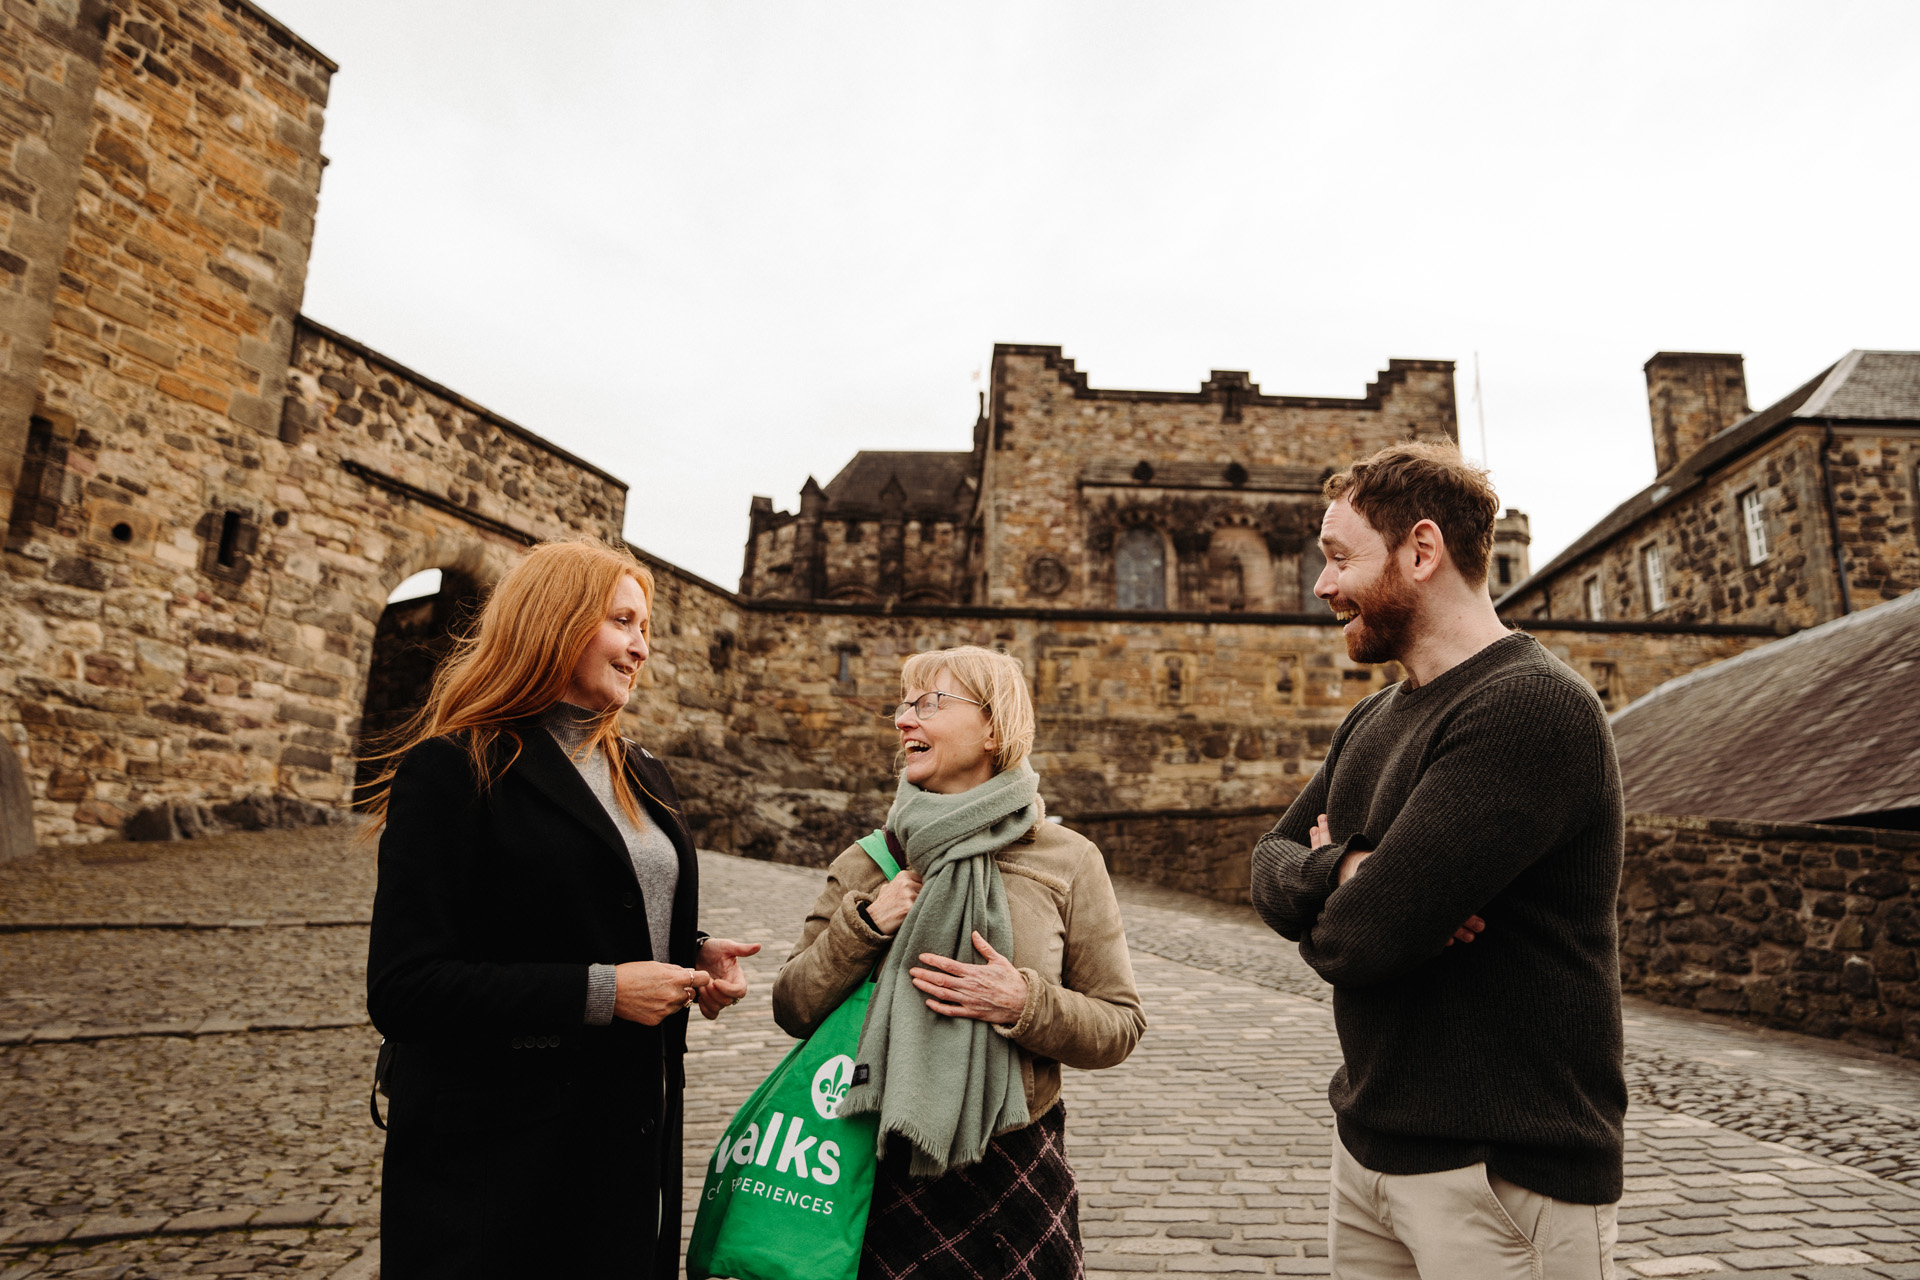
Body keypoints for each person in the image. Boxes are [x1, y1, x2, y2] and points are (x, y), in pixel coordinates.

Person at [1250, 443, 1626, 1279]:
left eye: (1340, 558)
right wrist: (1350, 874)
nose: (1322, 585)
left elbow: (1364, 943)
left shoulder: (1529, 708)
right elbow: (1266, 867)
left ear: (1421, 551)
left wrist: (1363, 904)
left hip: (1503, 1176)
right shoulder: (1372, 721)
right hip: (1371, 1154)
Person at [363, 537, 759, 1279]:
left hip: (631, 1144)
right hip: (501, 1164)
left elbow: (584, 898)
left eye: (647, 631)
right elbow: (403, 988)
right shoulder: (453, 767)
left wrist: (689, 950)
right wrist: (605, 992)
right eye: (624, 623)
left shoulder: (644, 771)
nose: (641, 648)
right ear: (556, 621)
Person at [772, 645, 1145, 1279]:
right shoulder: (871, 861)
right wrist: (864, 925)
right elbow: (793, 1005)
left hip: (1016, 1174)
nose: (903, 720)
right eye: (903, 705)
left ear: (994, 727)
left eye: (929, 704)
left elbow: (1119, 1026)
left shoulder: (1067, 859)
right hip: (877, 1172)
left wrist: (1025, 1005)